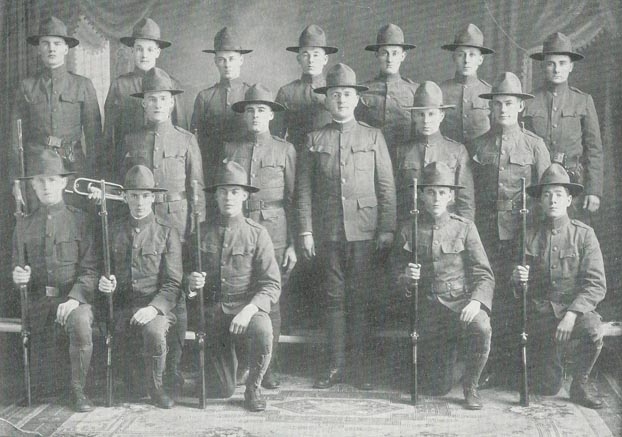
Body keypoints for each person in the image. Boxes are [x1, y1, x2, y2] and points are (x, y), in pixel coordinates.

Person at [296, 63, 396, 390]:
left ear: (356, 99)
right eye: (335, 94)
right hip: (328, 233)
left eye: (347, 94)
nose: (341, 99)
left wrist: (387, 229)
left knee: (361, 299)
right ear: (327, 100)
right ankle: (336, 365)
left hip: (365, 232)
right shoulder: (314, 139)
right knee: (334, 299)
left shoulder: (373, 136)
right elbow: (304, 191)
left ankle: (360, 367)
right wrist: (307, 231)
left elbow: (386, 188)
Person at [121, 66, 205, 399]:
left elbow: (196, 190)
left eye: (163, 99)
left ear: (172, 103)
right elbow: (124, 187)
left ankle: (174, 371)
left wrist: (196, 231)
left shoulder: (186, 140)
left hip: (179, 225)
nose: (157, 104)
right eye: (151, 99)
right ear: (143, 104)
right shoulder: (131, 140)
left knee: (179, 295)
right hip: (141, 225)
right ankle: (144, 372)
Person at [470, 72, 551, 387]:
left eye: (510, 103)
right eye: (498, 103)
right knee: (492, 298)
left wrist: (536, 235)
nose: (503, 108)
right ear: (491, 108)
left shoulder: (534, 146)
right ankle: (489, 365)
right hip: (487, 234)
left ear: (520, 107)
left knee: (521, 298)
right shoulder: (477, 146)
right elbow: (469, 195)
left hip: (523, 234)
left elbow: (546, 195)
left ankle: (520, 367)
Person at [396, 162, 494, 409]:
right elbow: (392, 276)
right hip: (428, 311)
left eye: (442, 192)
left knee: (481, 326)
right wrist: (406, 277)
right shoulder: (409, 228)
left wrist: (476, 301)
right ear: (421, 195)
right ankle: (457, 365)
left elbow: (484, 273)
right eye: (430, 192)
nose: (436, 198)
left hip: (460, 305)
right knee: (437, 387)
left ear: (451, 195)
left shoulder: (464, 227)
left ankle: (471, 385)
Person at [187, 161, 281, 412]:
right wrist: (192, 284)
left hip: (246, 308)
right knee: (223, 390)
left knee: (263, 329)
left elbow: (271, 284)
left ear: (244, 196)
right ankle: (227, 371)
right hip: (214, 313)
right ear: (216, 196)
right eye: (224, 192)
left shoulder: (257, 233)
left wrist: (250, 309)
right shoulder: (200, 233)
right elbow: (185, 276)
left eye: (235, 192)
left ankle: (253, 387)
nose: (229, 197)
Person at [511, 163, 605, 409]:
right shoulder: (528, 234)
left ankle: (580, 384)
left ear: (569, 199)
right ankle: (551, 364)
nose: (552, 200)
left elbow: (596, 284)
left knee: (594, 330)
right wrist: (518, 279)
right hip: (539, 313)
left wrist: (572, 314)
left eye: (559, 194)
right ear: (540, 201)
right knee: (547, 387)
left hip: (572, 309)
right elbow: (518, 289)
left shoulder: (584, 235)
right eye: (547, 194)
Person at [12, 150, 99, 412]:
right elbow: (16, 267)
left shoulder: (80, 219)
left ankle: (78, 390)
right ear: (33, 185)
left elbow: (91, 270)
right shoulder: (23, 225)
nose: (46, 186)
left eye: (52, 180)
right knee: (39, 381)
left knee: (81, 323)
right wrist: (19, 276)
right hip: (40, 300)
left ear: (63, 182)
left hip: (75, 299)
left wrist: (74, 299)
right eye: (40, 181)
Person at [225, 84, 297, 389]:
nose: (256, 115)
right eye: (251, 110)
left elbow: (294, 198)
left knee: (272, 300)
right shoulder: (230, 149)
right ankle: (243, 363)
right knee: (242, 295)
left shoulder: (285, 149)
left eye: (262, 110)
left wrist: (293, 241)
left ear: (271, 115)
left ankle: (269, 367)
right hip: (241, 231)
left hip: (276, 231)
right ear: (245, 115)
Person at [98, 165, 183, 409]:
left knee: (154, 332)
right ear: (125, 197)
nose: (139, 202)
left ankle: (157, 389)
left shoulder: (167, 233)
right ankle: (132, 382)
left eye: (145, 195)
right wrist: (106, 283)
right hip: (123, 306)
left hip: (156, 307)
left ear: (153, 197)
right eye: (134, 195)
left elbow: (173, 283)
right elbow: (103, 271)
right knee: (131, 389)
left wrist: (154, 308)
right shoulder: (111, 230)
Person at [11, 16, 102, 207]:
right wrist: (16, 180)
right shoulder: (27, 87)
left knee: (76, 223)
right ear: (38, 49)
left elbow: (94, 139)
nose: (51, 48)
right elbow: (15, 140)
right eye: (46, 43)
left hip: (73, 167)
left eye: (57, 43)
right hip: (37, 170)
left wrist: (95, 179)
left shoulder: (82, 85)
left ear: (66, 48)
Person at [523, 32, 603, 219]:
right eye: (551, 63)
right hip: (538, 185)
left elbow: (594, 150)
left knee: (574, 237)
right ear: (543, 66)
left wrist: (593, 190)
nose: (557, 69)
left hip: (574, 186)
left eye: (562, 63)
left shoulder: (582, 101)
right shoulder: (529, 102)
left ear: (571, 67)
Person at [103, 18, 189, 180]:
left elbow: (181, 130)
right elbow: (108, 134)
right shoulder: (119, 85)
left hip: (164, 162)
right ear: (132, 51)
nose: (144, 55)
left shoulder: (172, 85)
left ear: (158, 52)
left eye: (150, 49)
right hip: (129, 161)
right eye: (139, 49)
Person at [398, 81, 474, 222]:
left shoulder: (457, 151)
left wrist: (463, 232)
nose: (426, 120)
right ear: (413, 116)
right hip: (410, 225)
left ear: (441, 115)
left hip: (447, 227)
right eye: (421, 114)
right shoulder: (402, 151)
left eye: (431, 114)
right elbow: (395, 196)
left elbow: (465, 201)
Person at [191, 27, 252, 184]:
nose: (227, 64)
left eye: (231, 59)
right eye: (222, 59)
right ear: (215, 62)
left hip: (244, 170)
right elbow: (194, 142)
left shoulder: (251, 95)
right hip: (211, 171)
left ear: (241, 60)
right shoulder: (204, 97)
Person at [356, 23, 419, 166]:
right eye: (385, 53)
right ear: (376, 55)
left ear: (403, 56)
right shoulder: (362, 91)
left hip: (405, 163)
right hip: (369, 162)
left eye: (395, 53)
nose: (390, 59)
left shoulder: (415, 91)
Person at [272, 24, 337, 150]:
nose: (311, 60)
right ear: (299, 59)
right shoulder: (287, 92)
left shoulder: (335, 91)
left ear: (325, 59)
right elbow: (275, 136)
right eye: (306, 54)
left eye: (316, 55)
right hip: (297, 159)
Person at [440, 23, 494, 151]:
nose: (466, 60)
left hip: (481, 159)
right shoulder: (440, 91)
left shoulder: (490, 92)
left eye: (472, 55)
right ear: (454, 57)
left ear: (480, 60)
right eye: (461, 54)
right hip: (448, 159)